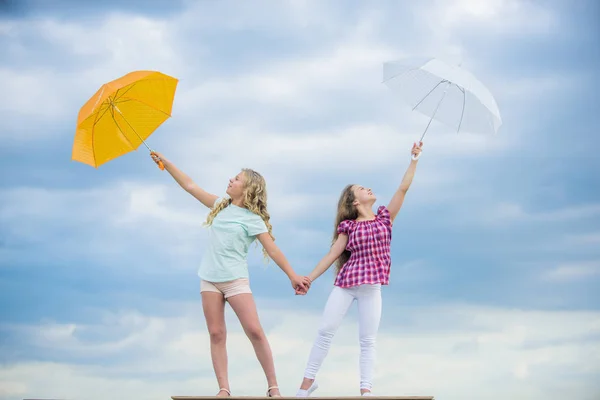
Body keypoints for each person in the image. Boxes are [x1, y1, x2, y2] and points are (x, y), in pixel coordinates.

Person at [150, 151, 310, 398]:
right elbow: (190, 186)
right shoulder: (219, 206)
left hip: (235, 280)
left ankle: (273, 387)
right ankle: (224, 389)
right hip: (209, 278)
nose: (230, 181)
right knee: (216, 333)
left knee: (255, 331)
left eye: (236, 179)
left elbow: (273, 249)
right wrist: (166, 163)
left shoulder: (253, 219)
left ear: (246, 190)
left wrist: (292, 275)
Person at [294, 143, 423, 397]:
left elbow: (403, 188)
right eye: (362, 189)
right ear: (354, 201)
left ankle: (366, 390)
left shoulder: (385, 217)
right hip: (347, 285)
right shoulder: (349, 226)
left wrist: (414, 159)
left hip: (372, 288)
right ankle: (306, 386)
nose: (369, 189)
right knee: (325, 330)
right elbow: (332, 255)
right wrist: (308, 278)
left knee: (367, 340)